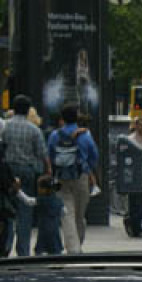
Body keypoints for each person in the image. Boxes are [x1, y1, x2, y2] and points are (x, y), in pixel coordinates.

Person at [2, 94, 51, 257]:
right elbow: (43, 154)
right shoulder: (34, 130)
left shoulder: (5, 126)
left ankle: (5, 246)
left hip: (7, 172)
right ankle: (23, 251)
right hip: (27, 171)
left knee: (5, 209)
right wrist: (48, 171)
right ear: (28, 110)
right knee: (25, 212)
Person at [46, 103, 97, 254]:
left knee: (67, 214)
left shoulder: (55, 135)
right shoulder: (85, 135)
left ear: (62, 118)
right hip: (81, 177)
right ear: (77, 117)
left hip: (62, 178)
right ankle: (77, 246)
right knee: (80, 214)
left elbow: (50, 155)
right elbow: (94, 156)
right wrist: (87, 169)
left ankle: (72, 248)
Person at [123, 116, 142, 238]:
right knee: (135, 201)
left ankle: (134, 222)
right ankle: (135, 227)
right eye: (141, 125)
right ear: (135, 126)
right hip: (135, 174)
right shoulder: (130, 139)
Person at [33, 175, 64, 256]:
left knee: (40, 247)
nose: (38, 189)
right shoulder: (58, 200)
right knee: (55, 247)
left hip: (43, 228)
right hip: (55, 228)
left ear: (45, 189)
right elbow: (64, 212)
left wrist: (18, 193)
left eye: (39, 187)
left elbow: (29, 201)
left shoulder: (41, 200)